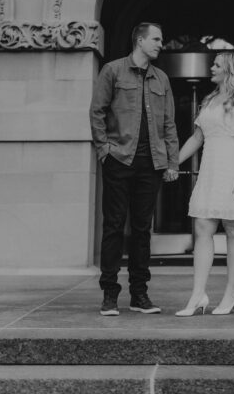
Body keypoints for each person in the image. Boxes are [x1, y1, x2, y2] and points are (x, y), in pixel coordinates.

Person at [89, 22, 179, 316]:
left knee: (142, 230)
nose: (160, 44)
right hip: (119, 159)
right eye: (156, 39)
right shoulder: (113, 71)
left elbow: (169, 124)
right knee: (114, 226)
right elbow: (97, 112)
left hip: (150, 164)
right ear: (140, 40)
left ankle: (139, 294)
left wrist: (172, 162)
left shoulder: (161, 78)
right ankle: (109, 294)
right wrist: (104, 150)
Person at [175, 49, 234, 316]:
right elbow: (197, 138)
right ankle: (198, 294)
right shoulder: (210, 100)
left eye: (216, 65)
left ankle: (230, 293)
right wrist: (173, 162)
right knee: (203, 226)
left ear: (230, 69)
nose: (211, 68)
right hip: (211, 169)